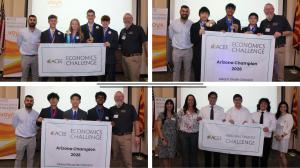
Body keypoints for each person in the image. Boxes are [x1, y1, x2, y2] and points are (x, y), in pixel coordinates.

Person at [260, 3, 292, 81]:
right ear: (264, 11)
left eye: (270, 9)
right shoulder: (263, 22)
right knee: (271, 70)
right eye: (266, 9)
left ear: (273, 9)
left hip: (279, 48)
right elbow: (261, 34)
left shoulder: (281, 18)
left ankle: (281, 81)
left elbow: (290, 32)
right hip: (268, 50)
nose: (268, 11)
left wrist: (281, 33)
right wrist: (259, 34)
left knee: (280, 70)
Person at [109, 91, 141, 168]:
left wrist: (137, 135)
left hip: (126, 137)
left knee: (127, 160)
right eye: (116, 97)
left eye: (120, 96)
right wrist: (111, 123)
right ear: (114, 99)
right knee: (115, 159)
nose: (118, 98)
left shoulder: (130, 107)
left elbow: (136, 121)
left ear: (123, 97)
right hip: (114, 137)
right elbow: (109, 122)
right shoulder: (111, 109)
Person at [199, 91, 225, 167]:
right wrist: (199, 119)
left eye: (214, 98)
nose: (213, 99)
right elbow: (200, 119)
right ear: (208, 98)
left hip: (217, 137)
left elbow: (223, 122)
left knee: (217, 157)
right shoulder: (203, 109)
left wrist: (224, 122)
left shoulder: (221, 109)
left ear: (216, 99)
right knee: (207, 157)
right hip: (207, 137)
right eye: (211, 97)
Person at [12, 95, 39, 168]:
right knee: (18, 158)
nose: (29, 102)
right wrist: (20, 132)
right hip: (20, 139)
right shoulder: (18, 112)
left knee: (31, 158)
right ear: (24, 101)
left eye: (31, 101)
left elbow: (37, 126)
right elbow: (14, 124)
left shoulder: (36, 114)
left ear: (33, 102)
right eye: (28, 100)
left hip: (32, 139)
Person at [119, 13, 147, 82]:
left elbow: (145, 42)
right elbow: (119, 43)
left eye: (129, 18)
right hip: (124, 58)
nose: (127, 20)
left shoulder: (138, 29)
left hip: (134, 58)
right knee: (127, 78)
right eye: (125, 18)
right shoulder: (122, 31)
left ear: (132, 19)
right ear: (123, 20)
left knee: (134, 79)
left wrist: (148, 56)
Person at [190, 7, 215, 81]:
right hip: (198, 55)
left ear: (208, 15)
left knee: (209, 75)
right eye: (202, 13)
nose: (204, 15)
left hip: (210, 55)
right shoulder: (194, 25)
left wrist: (213, 23)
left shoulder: (212, 24)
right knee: (197, 75)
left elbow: (216, 38)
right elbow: (192, 40)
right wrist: (199, 34)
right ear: (199, 15)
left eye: (206, 13)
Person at [225, 94, 251, 167]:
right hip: (232, 137)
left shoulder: (246, 111)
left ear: (242, 100)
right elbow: (225, 123)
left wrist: (247, 123)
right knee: (231, 158)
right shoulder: (229, 111)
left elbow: (250, 122)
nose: (237, 101)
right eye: (236, 99)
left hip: (243, 137)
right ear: (233, 101)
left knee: (242, 158)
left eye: (239, 99)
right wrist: (229, 122)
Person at [169, 5, 193, 81]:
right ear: (180, 12)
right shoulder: (173, 23)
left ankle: (186, 84)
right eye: (183, 11)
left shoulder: (192, 24)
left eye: (186, 11)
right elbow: (171, 36)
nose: (184, 13)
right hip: (177, 50)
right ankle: (175, 84)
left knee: (188, 70)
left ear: (189, 13)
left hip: (188, 50)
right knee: (176, 70)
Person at [251, 98, 276, 167]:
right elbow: (249, 125)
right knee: (254, 157)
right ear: (259, 105)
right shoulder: (253, 114)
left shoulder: (271, 115)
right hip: (255, 138)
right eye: (262, 103)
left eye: (265, 103)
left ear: (267, 105)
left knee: (264, 158)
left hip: (266, 138)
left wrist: (269, 129)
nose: (263, 105)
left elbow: (274, 126)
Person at [40, 14, 65, 82]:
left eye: (55, 21)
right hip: (47, 59)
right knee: (44, 78)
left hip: (57, 59)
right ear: (49, 22)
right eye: (52, 21)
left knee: (57, 78)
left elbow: (63, 48)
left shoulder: (61, 34)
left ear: (57, 22)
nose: (53, 22)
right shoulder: (43, 33)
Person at [81, 9, 104, 81]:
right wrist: (85, 41)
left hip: (95, 54)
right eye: (89, 16)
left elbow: (101, 40)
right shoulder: (82, 27)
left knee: (94, 73)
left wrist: (94, 41)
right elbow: (80, 40)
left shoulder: (99, 27)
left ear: (94, 17)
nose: (90, 17)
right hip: (85, 54)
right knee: (86, 72)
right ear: (86, 17)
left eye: (92, 16)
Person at [17, 15, 41, 81]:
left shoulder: (39, 32)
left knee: (35, 77)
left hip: (36, 57)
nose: (32, 21)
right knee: (24, 76)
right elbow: (19, 43)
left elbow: (40, 45)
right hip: (25, 57)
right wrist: (22, 53)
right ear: (28, 21)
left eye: (34, 20)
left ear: (36, 22)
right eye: (31, 20)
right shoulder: (22, 31)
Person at [177, 94, 199, 167]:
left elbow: (201, 122)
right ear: (186, 101)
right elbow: (176, 122)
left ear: (194, 101)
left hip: (194, 135)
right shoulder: (181, 111)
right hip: (183, 135)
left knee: (194, 153)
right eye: (189, 99)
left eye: (192, 99)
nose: (190, 101)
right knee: (185, 153)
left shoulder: (198, 111)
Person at [155, 99, 177, 168]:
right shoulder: (161, 115)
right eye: (168, 104)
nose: (169, 105)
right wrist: (162, 139)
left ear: (173, 105)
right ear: (165, 105)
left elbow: (177, 126)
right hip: (164, 139)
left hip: (173, 140)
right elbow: (158, 128)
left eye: (171, 104)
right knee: (164, 157)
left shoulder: (175, 115)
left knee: (171, 157)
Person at [272, 101, 294, 168]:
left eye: (284, 106)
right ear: (279, 108)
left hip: (283, 138)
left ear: (286, 108)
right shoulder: (277, 116)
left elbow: (290, 127)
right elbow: (274, 127)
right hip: (276, 137)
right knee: (278, 154)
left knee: (282, 155)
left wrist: (282, 136)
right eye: (281, 106)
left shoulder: (289, 116)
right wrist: (275, 135)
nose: (283, 108)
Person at [101, 15, 118, 81]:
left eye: (106, 21)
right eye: (103, 21)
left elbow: (117, 45)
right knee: (102, 79)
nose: (105, 23)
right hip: (101, 60)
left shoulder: (114, 32)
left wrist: (110, 44)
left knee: (111, 78)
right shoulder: (98, 32)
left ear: (109, 22)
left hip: (110, 60)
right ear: (101, 22)